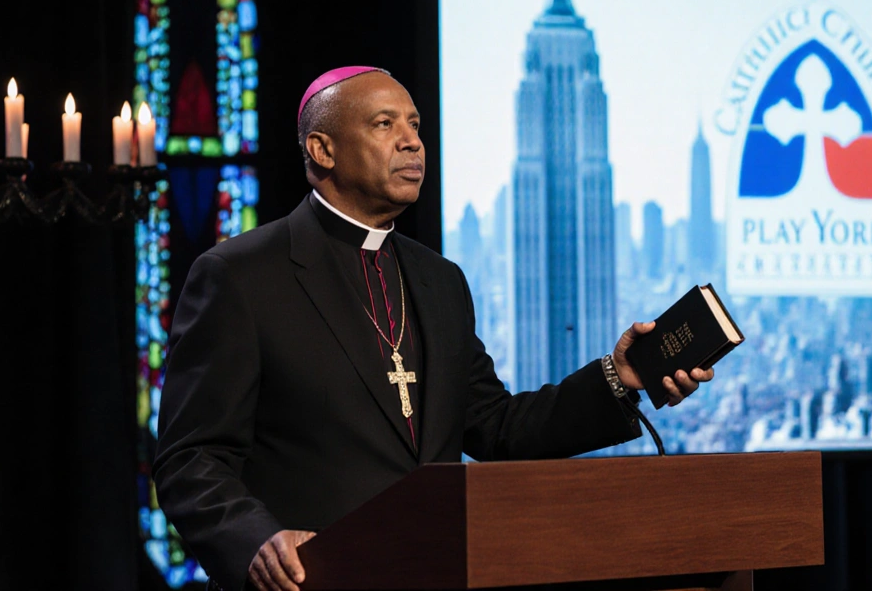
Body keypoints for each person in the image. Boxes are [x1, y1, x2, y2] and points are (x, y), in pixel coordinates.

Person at [154, 66, 714, 591]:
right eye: (384, 124)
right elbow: (191, 458)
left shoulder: (438, 280)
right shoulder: (242, 275)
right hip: (315, 580)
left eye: (415, 125)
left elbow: (497, 428)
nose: (412, 141)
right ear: (322, 150)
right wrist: (258, 542)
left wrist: (620, 376)